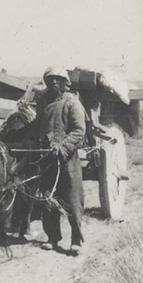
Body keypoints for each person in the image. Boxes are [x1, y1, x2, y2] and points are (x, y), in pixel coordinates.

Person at [31, 66, 86, 256]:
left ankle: (76, 240)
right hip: (47, 159)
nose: (53, 82)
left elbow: (79, 131)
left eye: (57, 79)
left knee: (73, 199)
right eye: (50, 79)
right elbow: (37, 128)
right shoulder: (43, 104)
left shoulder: (72, 103)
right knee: (48, 198)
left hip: (68, 160)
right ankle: (53, 238)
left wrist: (62, 148)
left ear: (64, 83)